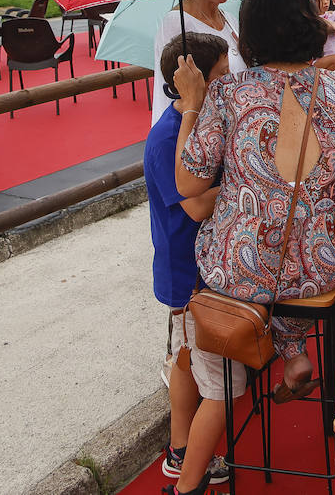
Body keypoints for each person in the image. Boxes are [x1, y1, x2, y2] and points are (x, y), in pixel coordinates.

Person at [173, 0, 335, 492]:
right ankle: (294, 348)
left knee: (241, 252)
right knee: (288, 249)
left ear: (252, 35)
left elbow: (189, 185)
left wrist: (191, 104)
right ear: (311, 27)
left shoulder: (230, 92)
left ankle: (283, 350)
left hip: (244, 268)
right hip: (329, 260)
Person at [145, 34, 232, 495]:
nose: (229, 80)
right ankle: (182, 451)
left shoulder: (200, 124)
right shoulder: (165, 139)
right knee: (191, 362)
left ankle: (182, 446)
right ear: (191, 81)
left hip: (203, 264)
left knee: (189, 359)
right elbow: (196, 207)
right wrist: (245, 180)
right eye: (220, 74)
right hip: (186, 268)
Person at [153, 0, 245, 126]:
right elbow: (174, 88)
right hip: (202, 127)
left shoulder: (229, 19)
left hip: (235, 121)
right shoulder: (177, 22)